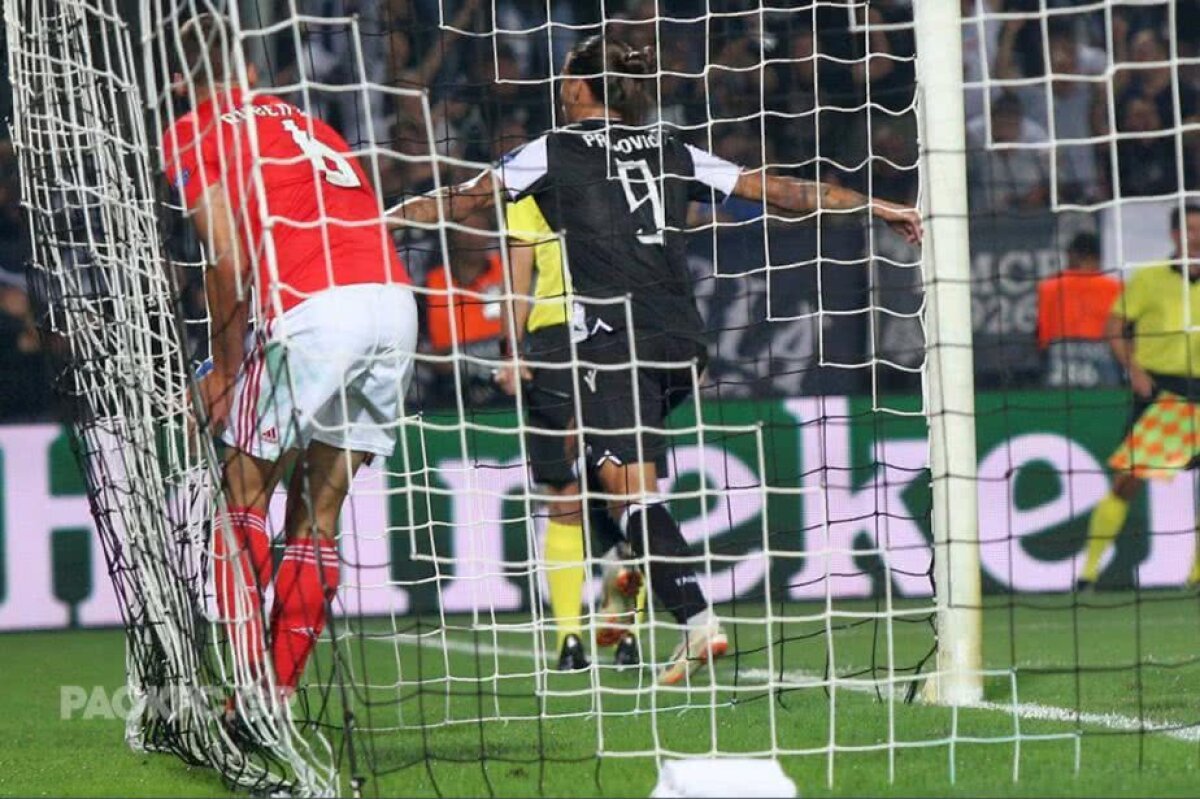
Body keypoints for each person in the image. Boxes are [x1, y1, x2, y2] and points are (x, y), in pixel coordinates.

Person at [388, 36, 921, 684]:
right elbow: (773, 188)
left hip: (613, 334)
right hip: (680, 339)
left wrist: (376, 221)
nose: (560, 86)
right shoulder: (671, 147)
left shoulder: (550, 150)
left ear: (582, 88)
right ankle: (624, 570)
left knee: (623, 489)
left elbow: (464, 200)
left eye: (566, 78)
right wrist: (874, 203)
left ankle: (695, 621)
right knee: (595, 463)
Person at [162, 13, 416, 719]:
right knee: (318, 514)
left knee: (242, 487)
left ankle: (247, 688)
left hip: (313, 310)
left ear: (181, 82)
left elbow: (227, 256)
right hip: (394, 302)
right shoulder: (312, 123)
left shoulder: (195, 129)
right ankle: (272, 691)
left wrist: (222, 367)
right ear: (252, 72)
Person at [498, 194, 643, 672]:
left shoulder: (557, 175)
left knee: (599, 491)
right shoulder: (534, 182)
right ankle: (592, 638)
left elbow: (520, 271)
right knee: (595, 491)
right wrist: (513, 348)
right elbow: (519, 270)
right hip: (587, 334)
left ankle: (598, 637)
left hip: (589, 334)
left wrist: (512, 351)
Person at [1078, 205, 1200, 590]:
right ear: (1176, 235)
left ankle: (1196, 575)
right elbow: (1114, 327)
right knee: (1128, 481)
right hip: (1162, 391)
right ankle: (1089, 571)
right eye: (1190, 229)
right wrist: (1134, 368)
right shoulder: (1149, 279)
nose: (1196, 237)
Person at [1036, 232, 1122, 387]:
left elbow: (1043, 335)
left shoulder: (1049, 286)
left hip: (1062, 355)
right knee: (1107, 405)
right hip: (1102, 354)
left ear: (1072, 255)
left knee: (1059, 406)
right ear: (1097, 257)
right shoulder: (1114, 287)